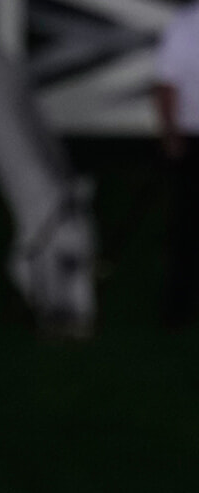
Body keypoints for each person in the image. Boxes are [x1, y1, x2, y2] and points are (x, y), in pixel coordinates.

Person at [155, 0, 199, 326]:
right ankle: (176, 308)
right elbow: (166, 83)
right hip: (192, 138)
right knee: (185, 226)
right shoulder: (185, 24)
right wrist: (170, 132)